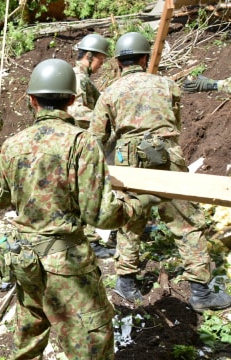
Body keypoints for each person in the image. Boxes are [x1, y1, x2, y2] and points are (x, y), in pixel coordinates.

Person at [0, 58, 160, 359]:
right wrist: (138, 205)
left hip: (24, 259)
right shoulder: (81, 143)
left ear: (31, 99)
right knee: (91, 343)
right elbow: (101, 215)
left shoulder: (13, 144)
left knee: (29, 332)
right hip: (65, 263)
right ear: (72, 99)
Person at [89, 32, 231, 311]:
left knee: (130, 220)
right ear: (144, 58)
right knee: (188, 222)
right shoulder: (168, 85)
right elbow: (175, 124)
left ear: (118, 62)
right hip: (167, 159)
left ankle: (126, 284)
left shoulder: (109, 93)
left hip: (128, 162)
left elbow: (96, 138)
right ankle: (201, 292)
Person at [68, 33, 116, 259]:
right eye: (100, 59)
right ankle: (89, 239)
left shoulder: (82, 78)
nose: (102, 64)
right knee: (85, 188)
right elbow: (75, 110)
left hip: (80, 139)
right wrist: (101, 120)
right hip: (79, 140)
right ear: (88, 56)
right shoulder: (77, 78)